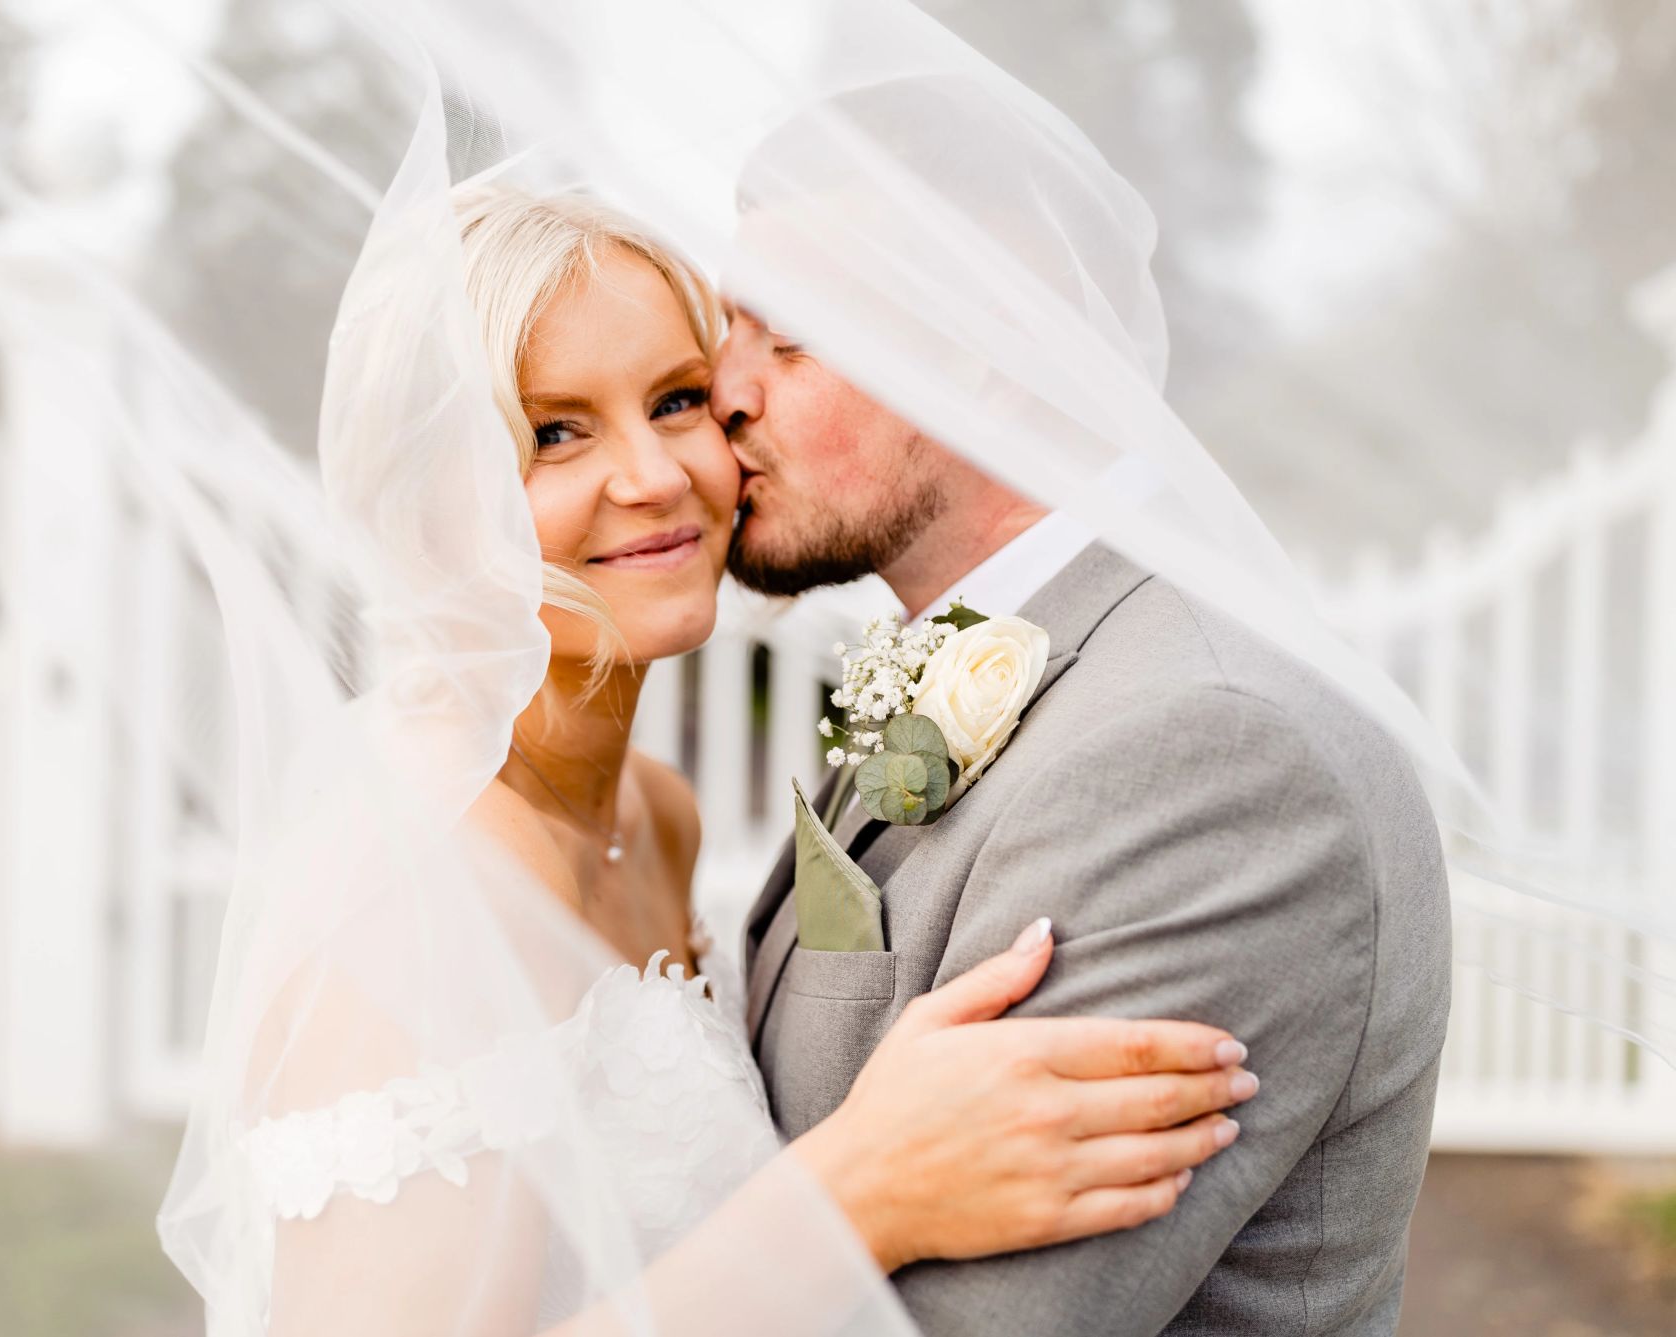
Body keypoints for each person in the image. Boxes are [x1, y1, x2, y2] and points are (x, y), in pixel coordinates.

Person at [240, 187, 1257, 1335]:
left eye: (676, 400)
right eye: (554, 432)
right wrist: (859, 1190)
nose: (654, 474)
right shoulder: (413, 878)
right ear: (425, 501)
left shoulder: (651, 814)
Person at [719, 86, 1454, 1335]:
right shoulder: (968, 655)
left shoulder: (1210, 756)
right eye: (725, 326)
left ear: (997, 355)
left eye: (788, 336)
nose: (720, 389)